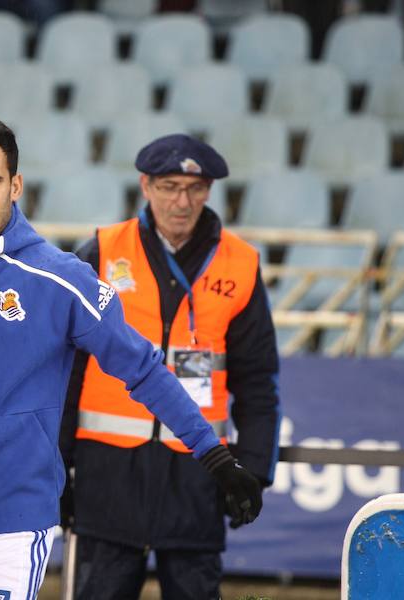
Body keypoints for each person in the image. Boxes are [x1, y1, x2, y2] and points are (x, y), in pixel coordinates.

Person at [0, 116, 263, 598]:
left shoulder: (62, 278)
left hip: (13, 525)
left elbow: (142, 369)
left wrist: (214, 455)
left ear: (15, 185)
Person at [59, 134, 280, 600]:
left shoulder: (241, 264)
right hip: (107, 477)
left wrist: (252, 473)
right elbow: (64, 369)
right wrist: (54, 465)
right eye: (168, 186)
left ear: (209, 191)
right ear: (145, 185)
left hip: (199, 475)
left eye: (194, 188)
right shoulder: (100, 251)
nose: (181, 201)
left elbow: (258, 381)